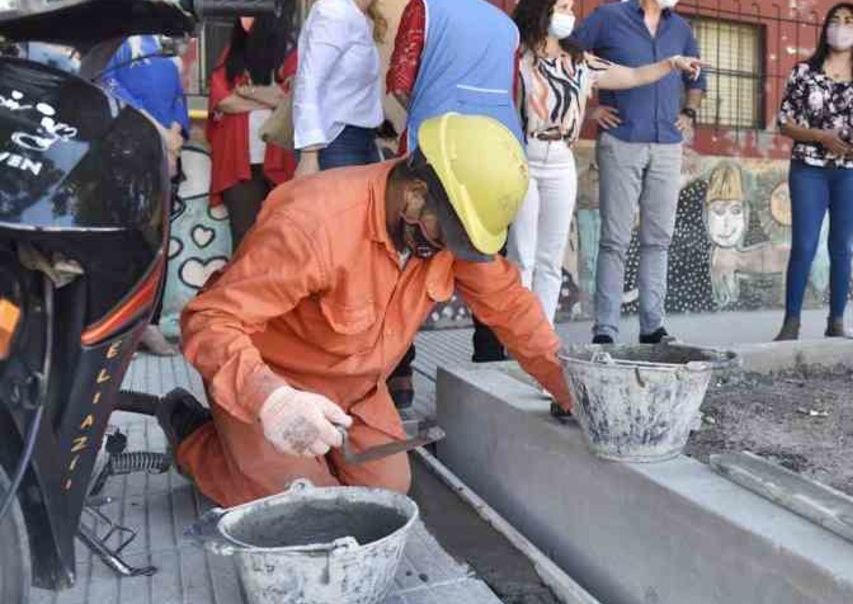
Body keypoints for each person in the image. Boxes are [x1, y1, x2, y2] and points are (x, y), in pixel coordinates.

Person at [154, 114, 572, 507]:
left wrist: (570, 388)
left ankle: (273, 455)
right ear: (414, 195)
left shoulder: (446, 226)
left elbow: (512, 307)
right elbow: (209, 321)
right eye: (445, 236)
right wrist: (272, 401)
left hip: (356, 391)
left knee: (388, 491)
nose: (450, 251)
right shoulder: (314, 223)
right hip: (274, 380)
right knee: (304, 506)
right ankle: (196, 440)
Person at [509, 0, 702, 323]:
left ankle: (542, 336)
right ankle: (517, 336)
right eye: (564, 8)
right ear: (543, 11)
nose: (571, 15)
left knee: (550, 258)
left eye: (571, 7)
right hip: (523, 155)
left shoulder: (579, 60)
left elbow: (632, 76)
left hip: (560, 160)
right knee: (523, 254)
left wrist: (670, 63)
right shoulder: (517, 56)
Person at [387, 0, 519, 364]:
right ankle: (490, 356)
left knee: (409, 255)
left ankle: (399, 369)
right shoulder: (505, 24)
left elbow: (399, 81)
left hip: (435, 150)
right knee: (488, 258)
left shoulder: (423, 8)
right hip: (500, 154)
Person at [572, 0, 706, 345]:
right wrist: (591, 109)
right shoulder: (607, 18)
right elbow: (569, 62)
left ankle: (653, 328)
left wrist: (690, 113)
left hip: (667, 145)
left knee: (657, 239)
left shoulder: (680, 28)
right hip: (621, 141)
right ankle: (605, 331)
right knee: (614, 238)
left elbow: (698, 80)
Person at [773, 2, 853, 341]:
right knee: (804, 245)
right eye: (835, 21)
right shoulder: (803, 73)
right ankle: (790, 324)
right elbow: (785, 123)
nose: (841, 27)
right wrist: (821, 136)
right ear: (825, 28)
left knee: (841, 245)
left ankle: (836, 321)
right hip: (809, 169)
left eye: (849, 21)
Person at [99, 0, 190, 355]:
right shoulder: (113, 36)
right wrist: (156, 131)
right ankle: (117, 326)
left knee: (158, 240)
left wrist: (175, 132)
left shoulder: (161, 39)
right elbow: (109, 87)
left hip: (163, 154)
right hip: (126, 151)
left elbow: (179, 96)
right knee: (125, 239)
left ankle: (149, 323)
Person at [206, 0, 297, 250]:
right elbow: (223, 102)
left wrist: (247, 92)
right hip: (238, 162)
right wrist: (265, 97)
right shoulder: (231, 53)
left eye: (248, 6)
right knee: (244, 239)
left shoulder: (289, 51)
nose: (242, 14)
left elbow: (287, 100)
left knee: (278, 241)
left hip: (278, 158)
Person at [293, 0, 394, 175]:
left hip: (361, 140)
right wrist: (309, 155)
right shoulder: (334, 12)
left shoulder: (361, 18)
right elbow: (309, 82)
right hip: (334, 142)